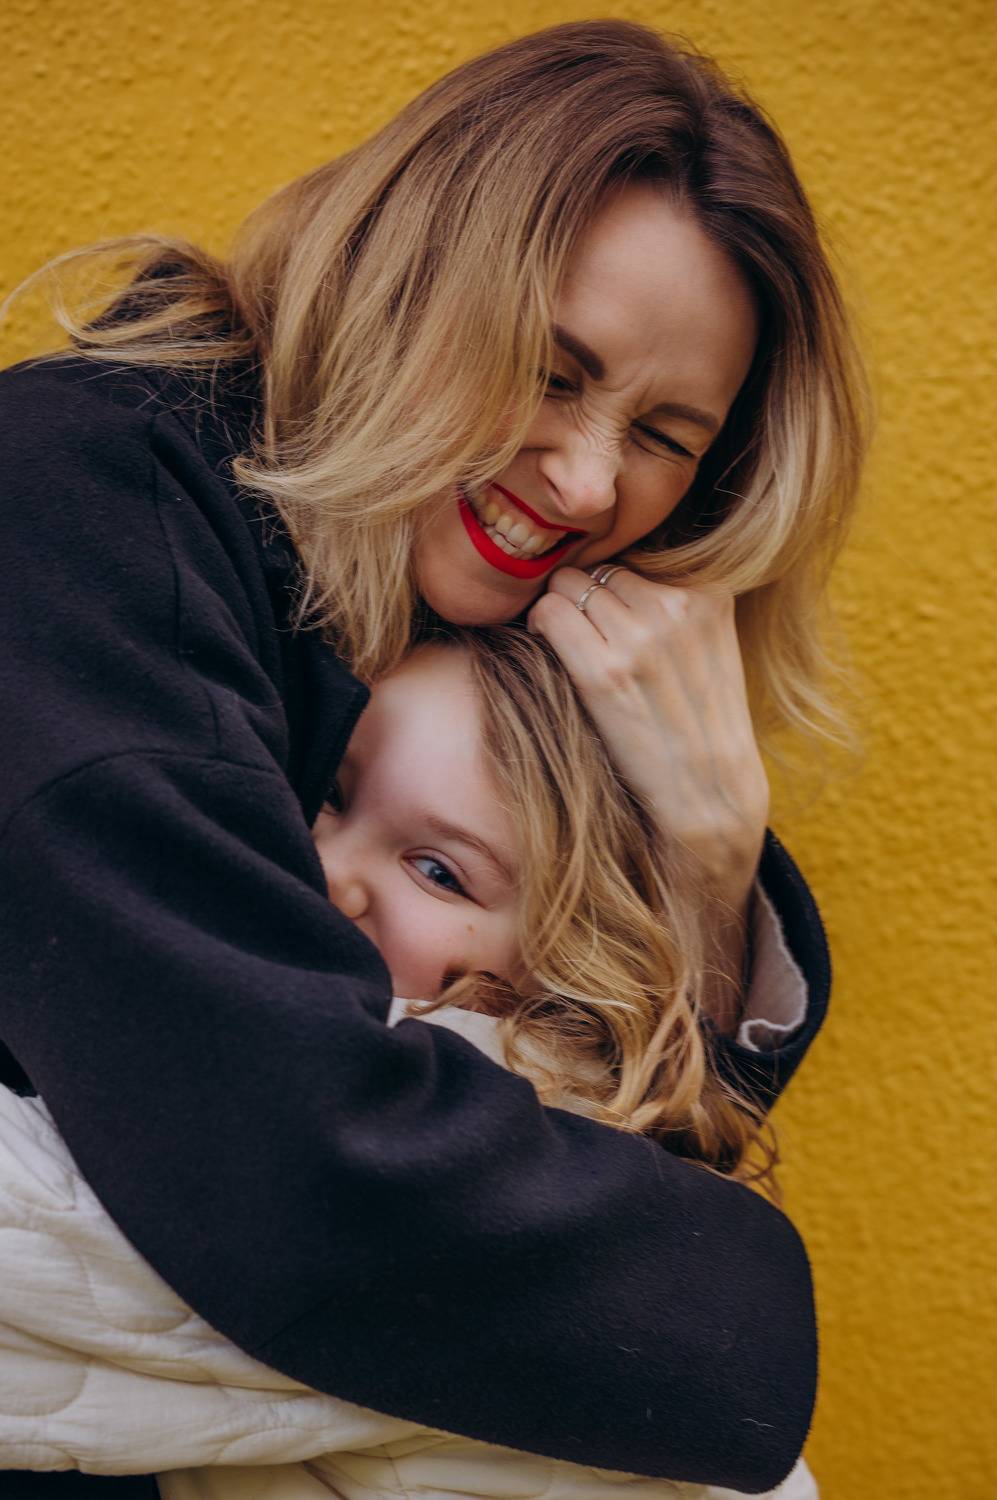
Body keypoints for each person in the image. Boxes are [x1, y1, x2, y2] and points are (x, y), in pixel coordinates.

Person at [0, 18, 867, 1496]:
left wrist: (714, 849)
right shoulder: (84, 505)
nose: (586, 482)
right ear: (409, 276)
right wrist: (739, 1305)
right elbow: (294, 1167)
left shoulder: (420, 610)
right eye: (551, 370)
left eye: (664, 436)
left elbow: (543, 1123)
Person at [0, 628, 816, 1500]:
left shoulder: (443, 1189)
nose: (326, 871)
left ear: (572, 974)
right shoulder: (631, 1204)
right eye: (332, 793)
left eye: (437, 871)